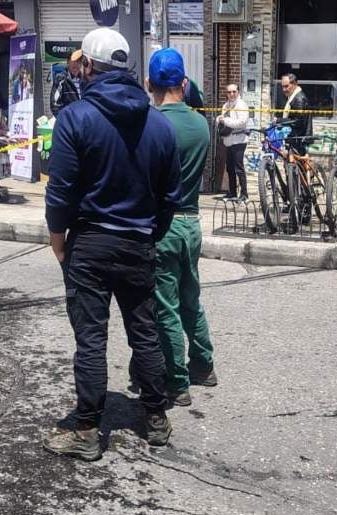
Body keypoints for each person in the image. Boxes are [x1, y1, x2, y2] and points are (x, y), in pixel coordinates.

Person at [42, 27, 182, 460]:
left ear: (88, 66)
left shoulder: (76, 117)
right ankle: (156, 417)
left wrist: (57, 238)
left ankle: (87, 431)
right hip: (138, 241)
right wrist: (148, 233)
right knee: (145, 332)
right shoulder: (158, 124)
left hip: (90, 242)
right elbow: (169, 196)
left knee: (90, 339)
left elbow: (61, 190)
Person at [147, 49, 217, 408]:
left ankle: (176, 382)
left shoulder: (152, 124)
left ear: (149, 84)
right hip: (192, 221)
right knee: (192, 299)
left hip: (164, 224)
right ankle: (203, 364)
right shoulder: (200, 124)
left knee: (166, 307)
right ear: (184, 83)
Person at [217, 83, 250, 200]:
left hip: (239, 140)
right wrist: (220, 120)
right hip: (229, 140)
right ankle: (232, 192)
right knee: (230, 168)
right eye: (229, 92)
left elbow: (241, 122)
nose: (231, 94)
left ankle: (244, 194)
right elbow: (220, 119)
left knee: (239, 168)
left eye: (234, 91)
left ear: (238, 92)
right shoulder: (226, 105)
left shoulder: (242, 105)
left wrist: (225, 121)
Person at [278, 74, 311, 153]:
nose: (284, 89)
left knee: (295, 163)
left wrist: (279, 120)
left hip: (298, 139)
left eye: (286, 86)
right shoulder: (293, 97)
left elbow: (298, 121)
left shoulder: (299, 98)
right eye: (282, 86)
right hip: (294, 137)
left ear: (295, 84)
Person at [50, 50, 83, 117]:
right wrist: (65, 122)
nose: (76, 65)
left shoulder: (84, 80)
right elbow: (55, 104)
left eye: (79, 62)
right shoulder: (61, 79)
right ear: (68, 62)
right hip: (69, 122)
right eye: (74, 61)